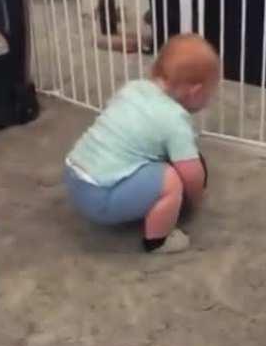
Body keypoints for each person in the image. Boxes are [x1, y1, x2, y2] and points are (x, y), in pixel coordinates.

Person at [64, 34, 219, 254]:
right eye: (209, 95)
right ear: (195, 92)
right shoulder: (175, 120)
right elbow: (192, 174)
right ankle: (157, 240)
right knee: (171, 180)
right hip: (100, 198)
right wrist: (194, 199)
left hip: (73, 177)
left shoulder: (133, 88)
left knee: (154, 158)